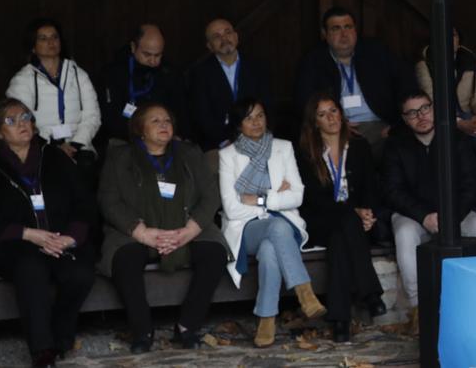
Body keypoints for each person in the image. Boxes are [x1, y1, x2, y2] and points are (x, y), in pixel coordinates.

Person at [0, 98, 96, 367]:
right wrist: (26, 233)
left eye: (25, 117)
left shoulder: (54, 157)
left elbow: (84, 202)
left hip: (58, 238)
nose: (22, 124)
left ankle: (60, 334)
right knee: (31, 268)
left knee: (80, 274)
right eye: (11, 121)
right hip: (13, 243)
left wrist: (70, 237)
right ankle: (42, 350)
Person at [98, 103, 229, 352]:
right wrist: (141, 232)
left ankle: (187, 326)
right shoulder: (119, 157)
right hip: (135, 230)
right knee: (125, 258)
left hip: (187, 225)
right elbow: (109, 200)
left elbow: (211, 196)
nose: (163, 125)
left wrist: (190, 230)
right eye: (155, 121)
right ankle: (142, 330)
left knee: (214, 253)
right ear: (140, 129)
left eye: (167, 121)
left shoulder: (190, 153)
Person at [218, 97, 326, 348]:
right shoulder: (227, 155)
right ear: (238, 124)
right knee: (276, 229)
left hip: (284, 224)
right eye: (248, 117)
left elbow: (297, 195)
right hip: (246, 228)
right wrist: (278, 196)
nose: (256, 122)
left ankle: (266, 318)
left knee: (270, 249)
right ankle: (305, 294)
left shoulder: (283, 147)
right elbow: (232, 209)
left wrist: (259, 199)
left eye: (260, 115)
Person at [383, 91, 476, 326]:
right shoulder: (395, 145)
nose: (420, 116)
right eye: (412, 113)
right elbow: (393, 191)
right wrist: (424, 216)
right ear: (404, 119)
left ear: (434, 109)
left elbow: (472, 185)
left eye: (425, 109)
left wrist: (451, 216)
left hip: (454, 212)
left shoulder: (456, 139)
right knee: (404, 234)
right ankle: (417, 309)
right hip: (413, 215)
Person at [296, 93, 388, 342]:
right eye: (322, 114)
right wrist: (354, 213)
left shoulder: (359, 146)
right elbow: (312, 199)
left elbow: (370, 187)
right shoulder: (307, 152)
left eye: (333, 111)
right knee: (346, 222)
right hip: (320, 220)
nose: (330, 118)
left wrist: (368, 213)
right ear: (314, 122)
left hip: (351, 224)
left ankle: (340, 320)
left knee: (340, 240)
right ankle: (370, 293)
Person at [294, 6, 416, 162]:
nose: (344, 34)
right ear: (325, 34)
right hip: (337, 128)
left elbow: (406, 84)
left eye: (348, 27)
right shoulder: (313, 61)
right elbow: (303, 101)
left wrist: (398, 124)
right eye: (336, 29)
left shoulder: (376, 52)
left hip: (380, 125)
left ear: (355, 30)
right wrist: (335, 124)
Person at [6, 18, 101, 164]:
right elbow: (22, 121)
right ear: (33, 47)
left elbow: (92, 116)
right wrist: (54, 147)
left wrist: (75, 144)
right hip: (40, 147)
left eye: (54, 37)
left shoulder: (78, 74)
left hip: (79, 147)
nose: (51, 42)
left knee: (84, 168)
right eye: (43, 38)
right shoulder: (22, 80)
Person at [414, 27, 476, 175]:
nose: (449, 39)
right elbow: (429, 99)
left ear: (459, 40)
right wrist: (457, 122)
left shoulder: (469, 61)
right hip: (440, 119)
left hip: (468, 114)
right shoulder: (424, 64)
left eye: (453, 35)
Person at [188, 18, 272, 152]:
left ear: (236, 37)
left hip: (257, 139)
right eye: (217, 36)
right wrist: (225, 142)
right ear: (209, 46)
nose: (225, 39)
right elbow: (202, 115)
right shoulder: (199, 74)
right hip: (219, 144)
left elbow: (268, 104)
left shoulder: (257, 66)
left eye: (228, 33)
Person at [99, 24, 188, 144]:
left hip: (164, 138)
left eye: (158, 55)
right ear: (133, 47)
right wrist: (143, 136)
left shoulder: (170, 73)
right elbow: (110, 118)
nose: (152, 61)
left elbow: (181, 111)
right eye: (147, 55)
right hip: (126, 138)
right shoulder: (114, 73)